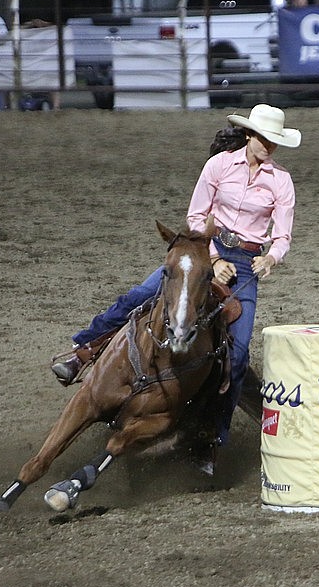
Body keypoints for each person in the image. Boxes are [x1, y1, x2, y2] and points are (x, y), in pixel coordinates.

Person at [50, 105, 300, 459]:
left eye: (274, 141)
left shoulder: (281, 181)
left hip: (245, 263)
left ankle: (211, 438)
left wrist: (270, 258)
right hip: (202, 252)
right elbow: (196, 215)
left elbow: (283, 235)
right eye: (264, 138)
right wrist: (213, 258)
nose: (269, 146)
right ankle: (83, 351)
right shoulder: (218, 166)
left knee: (239, 354)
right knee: (140, 295)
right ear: (249, 135)